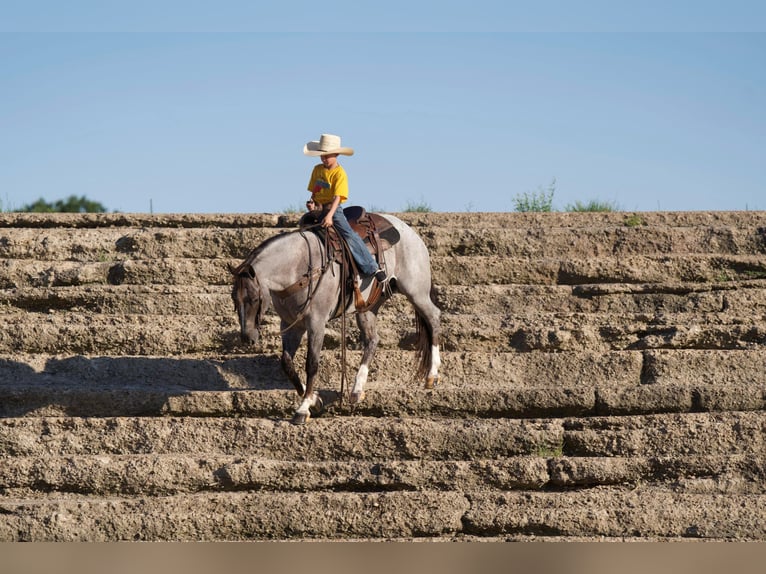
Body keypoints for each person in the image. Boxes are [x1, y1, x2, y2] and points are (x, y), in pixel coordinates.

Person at [304, 133, 385, 282]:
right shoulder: (317, 170)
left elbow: (337, 198)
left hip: (332, 210)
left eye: (327, 156)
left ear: (336, 154)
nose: (323, 159)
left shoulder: (339, 173)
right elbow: (314, 190)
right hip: (318, 209)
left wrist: (329, 216)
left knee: (348, 234)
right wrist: (312, 205)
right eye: (322, 156)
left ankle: (372, 267)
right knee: (303, 228)